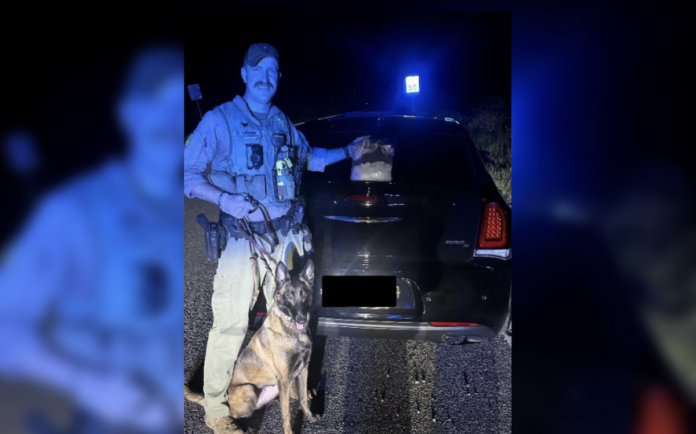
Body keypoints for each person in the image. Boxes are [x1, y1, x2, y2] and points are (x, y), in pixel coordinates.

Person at [0, 45, 185, 433]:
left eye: (177, 107)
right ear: (130, 112)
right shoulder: (75, 210)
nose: (169, 121)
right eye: (157, 104)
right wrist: (89, 385)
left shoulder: (177, 209)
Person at [183, 43, 355, 433]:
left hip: (283, 239)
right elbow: (187, 175)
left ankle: (287, 377)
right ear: (244, 74)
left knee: (287, 317)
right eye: (257, 69)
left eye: (272, 70)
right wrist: (225, 199)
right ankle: (216, 411)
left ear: (278, 77)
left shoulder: (282, 122)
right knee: (230, 324)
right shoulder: (219, 120)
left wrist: (348, 149)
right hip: (243, 241)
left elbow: (312, 158)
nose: (265, 77)